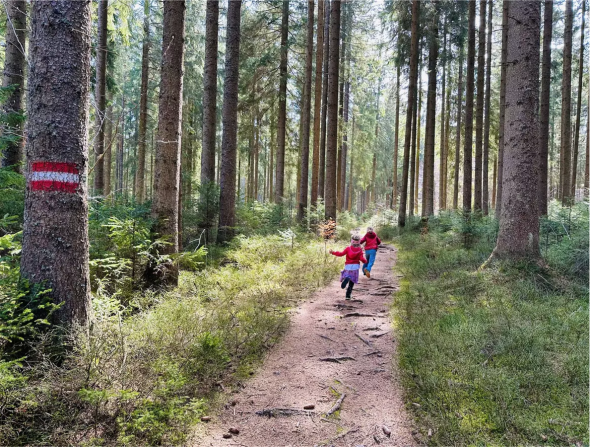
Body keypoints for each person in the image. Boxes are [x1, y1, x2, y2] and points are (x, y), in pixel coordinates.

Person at [329, 235, 367, 300]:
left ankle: (346, 278)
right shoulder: (360, 250)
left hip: (348, 266)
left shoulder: (348, 248)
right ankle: (348, 295)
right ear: (359, 242)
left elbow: (341, 254)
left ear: (351, 241)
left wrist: (333, 252)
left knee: (347, 276)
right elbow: (361, 258)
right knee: (352, 282)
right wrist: (365, 261)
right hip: (355, 267)